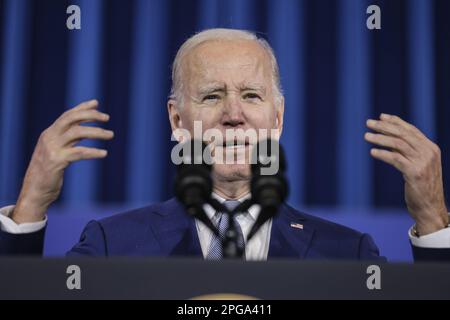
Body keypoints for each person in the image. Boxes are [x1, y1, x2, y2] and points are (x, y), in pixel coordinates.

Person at [1, 28, 449, 261]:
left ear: (277, 118)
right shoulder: (110, 244)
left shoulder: (349, 255)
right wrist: (28, 210)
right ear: (177, 119)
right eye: (212, 95)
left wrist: (432, 220)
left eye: (252, 96)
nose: (234, 114)